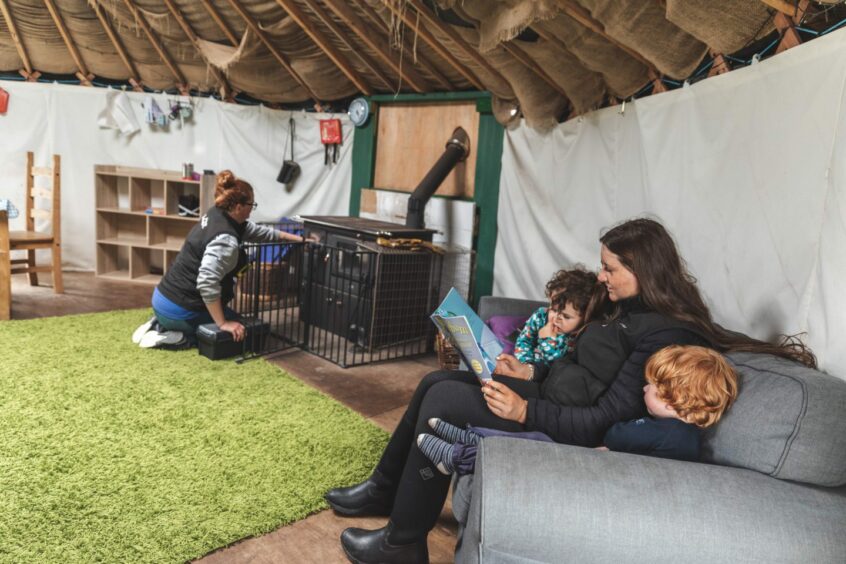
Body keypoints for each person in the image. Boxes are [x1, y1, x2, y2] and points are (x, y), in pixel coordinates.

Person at [326, 218, 815, 564]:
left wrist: (524, 411)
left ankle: (402, 543)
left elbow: (604, 417)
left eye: (610, 268)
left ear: (642, 270)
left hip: (569, 430)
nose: (601, 276)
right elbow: (585, 372)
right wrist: (529, 374)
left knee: (443, 401)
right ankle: (385, 489)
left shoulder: (665, 335)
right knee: (436, 380)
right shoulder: (631, 312)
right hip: (550, 400)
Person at [134, 170, 307, 348]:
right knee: (238, 330)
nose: (253, 208)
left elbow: (259, 232)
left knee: (231, 320)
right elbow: (207, 283)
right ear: (239, 207)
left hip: (163, 297)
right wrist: (223, 324)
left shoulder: (217, 214)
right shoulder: (226, 241)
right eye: (251, 204)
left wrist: (299, 239)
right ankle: (172, 337)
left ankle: (158, 323)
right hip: (181, 308)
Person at [600, 344, 738, 461]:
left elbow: (615, 437)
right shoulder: (688, 435)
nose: (644, 388)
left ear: (671, 402)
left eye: (651, 387)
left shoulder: (668, 431)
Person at [513, 268, 593, 365]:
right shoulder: (541, 316)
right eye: (554, 310)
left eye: (566, 316)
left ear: (584, 317)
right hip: (528, 368)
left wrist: (547, 340)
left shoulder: (580, 336)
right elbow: (523, 341)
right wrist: (526, 364)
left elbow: (558, 365)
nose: (556, 318)